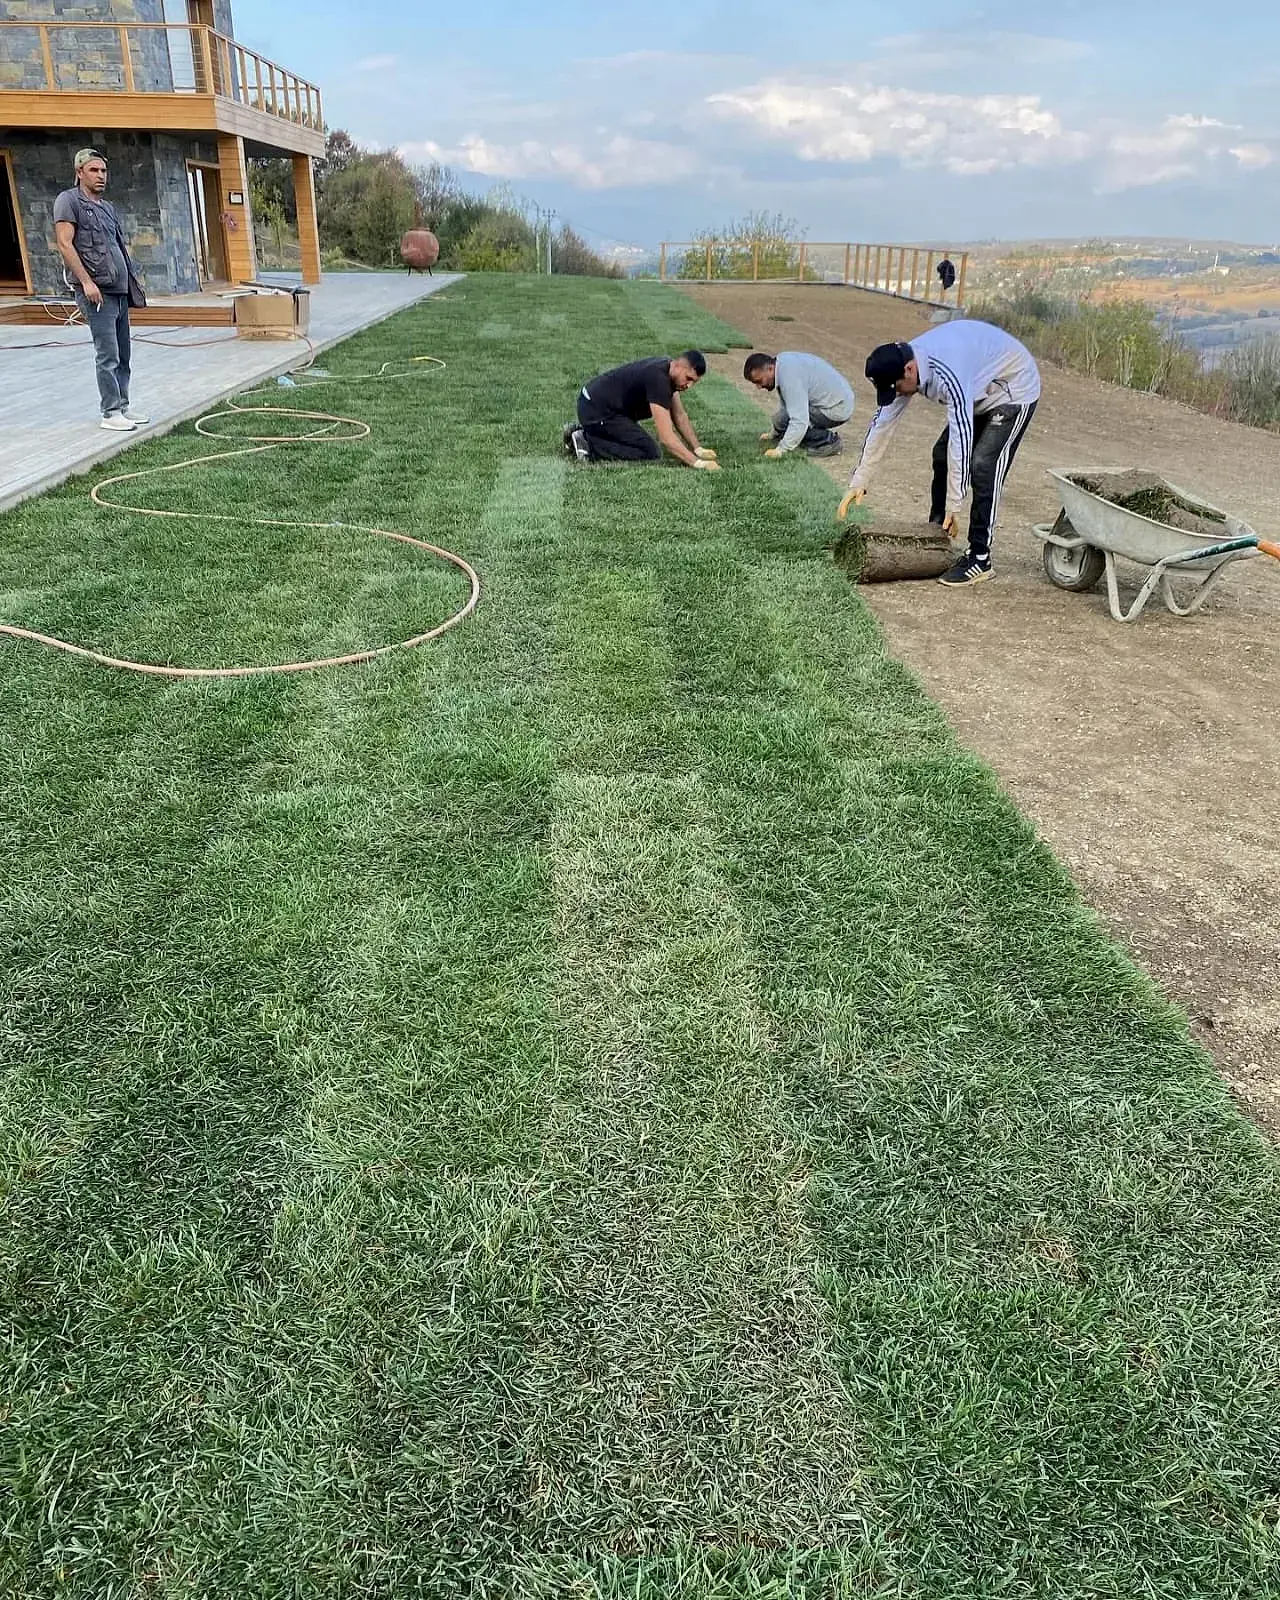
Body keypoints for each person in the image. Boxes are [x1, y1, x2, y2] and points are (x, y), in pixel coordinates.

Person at [840, 321, 1041, 587]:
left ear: (909, 370)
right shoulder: (902, 367)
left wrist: (955, 504)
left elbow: (961, 437)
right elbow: (882, 425)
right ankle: (936, 536)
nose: (897, 394)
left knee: (983, 465)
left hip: (1013, 387)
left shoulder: (948, 372)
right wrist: (860, 481)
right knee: (941, 454)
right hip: (978, 386)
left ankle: (980, 557)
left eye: (896, 387)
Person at [53, 150, 150, 433]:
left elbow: (117, 247)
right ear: (79, 172)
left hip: (118, 291)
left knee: (123, 354)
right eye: (94, 170)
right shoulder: (69, 201)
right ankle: (110, 412)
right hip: (97, 293)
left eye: (103, 171)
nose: (100, 176)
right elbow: (65, 244)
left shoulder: (107, 207)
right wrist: (86, 282)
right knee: (107, 354)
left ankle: (123, 406)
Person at [564, 351, 719, 468]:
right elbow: (666, 438)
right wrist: (697, 463)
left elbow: (679, 416)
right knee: (649, 452)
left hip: (602, 406)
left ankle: (588, 434)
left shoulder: (667, 371)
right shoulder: (658, 379)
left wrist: (697, 448)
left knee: (637, 441)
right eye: (688, 378)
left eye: (694, 382)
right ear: (677, 365)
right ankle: (586, 442)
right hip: (597, 410)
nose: (689, 385)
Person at [743, 351, 855, 459]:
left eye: (759, 381)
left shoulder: (789, 376)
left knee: (797, 422)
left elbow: (799, 420)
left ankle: (828, 441)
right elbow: (787, 406)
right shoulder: (782, 364)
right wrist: (775, 433)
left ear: (770, 369)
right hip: (834, 401)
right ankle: (782, 435)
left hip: (837, 408)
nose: (758, 387)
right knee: (781, 420)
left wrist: (781, 450)